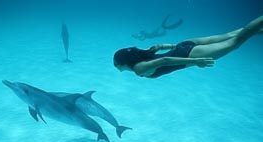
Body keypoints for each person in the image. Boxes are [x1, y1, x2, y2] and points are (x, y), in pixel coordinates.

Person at [113, 15, 263, 78]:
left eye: (115, 64)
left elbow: (163, 61)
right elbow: (158, 46)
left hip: (190, 54)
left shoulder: (138, 69)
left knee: (235, 42)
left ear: (122, 62)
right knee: (230, 34)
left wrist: (195, 62)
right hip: (186, 44)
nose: (116, 67)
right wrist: (175, 45)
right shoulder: (142, 54)